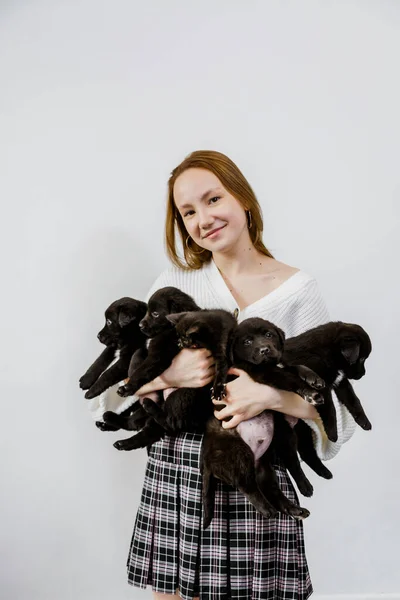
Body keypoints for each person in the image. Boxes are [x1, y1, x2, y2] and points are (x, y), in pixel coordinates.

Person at [125, 150, 356, 600]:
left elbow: (337, 412)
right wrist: (169, 373)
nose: (202, 219)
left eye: (213, 199)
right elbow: (120, 389)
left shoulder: (296, 290)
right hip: (178, 474)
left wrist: (267, 398)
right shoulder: (174, 283)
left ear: (243, 199)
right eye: (188, 211)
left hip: (257, 477)